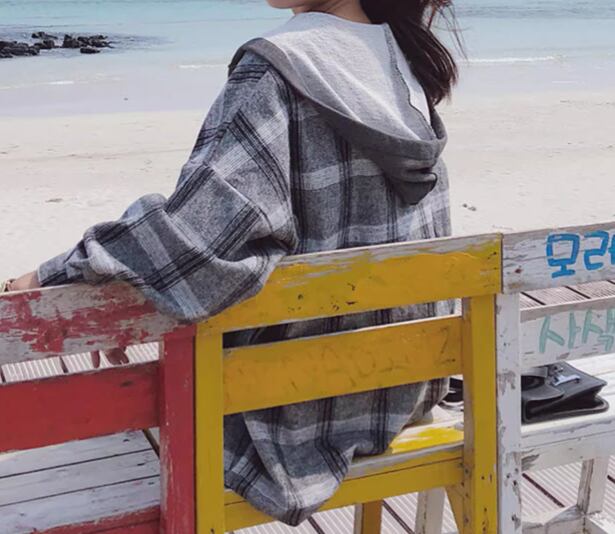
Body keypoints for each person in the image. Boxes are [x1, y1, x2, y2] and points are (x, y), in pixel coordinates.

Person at [3, 0, 460, 526]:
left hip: (291, 417)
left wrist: (58, 274)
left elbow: (198, 241)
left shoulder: (278, 70)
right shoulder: (400, 61)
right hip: (400, 391)